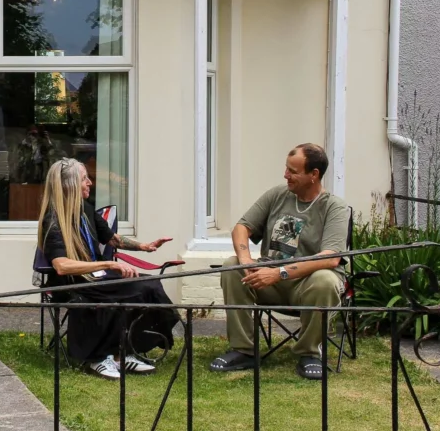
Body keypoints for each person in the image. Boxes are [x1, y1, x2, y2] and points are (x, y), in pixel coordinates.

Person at [209, 143, 348, 380]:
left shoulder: (334, 207)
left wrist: (280, 272)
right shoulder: (277, 195)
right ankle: (243, 350)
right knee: (233, 266)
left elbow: (331, 258)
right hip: (269, 281)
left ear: (313, 175)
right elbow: (242, 227)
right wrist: (246, 260)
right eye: (286, 169)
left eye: (293, 171)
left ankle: (310, 353)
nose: (286, 175)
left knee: (325, 280)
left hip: (307, 285)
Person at [38, 158, 179, 380]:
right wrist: (108, 263)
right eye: (85, 178)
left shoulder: (85, 209)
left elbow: (111, 238)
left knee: (148, 285)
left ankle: (124, 352)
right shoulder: (54, 220)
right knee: (120, 292)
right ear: (70, 184)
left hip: (95, 277)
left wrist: (144, 246)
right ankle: (98, 358)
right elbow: (61, 266)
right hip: (72, 284)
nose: (90, 183)